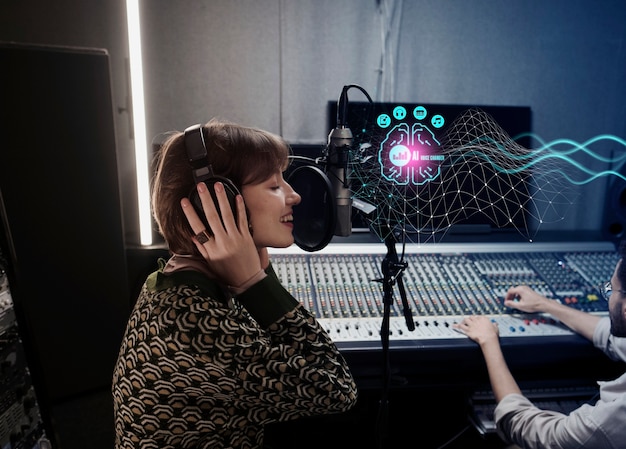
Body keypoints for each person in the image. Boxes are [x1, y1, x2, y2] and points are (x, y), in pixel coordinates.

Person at [112, 118, 358, 449]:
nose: (294, 196)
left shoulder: (178, 282)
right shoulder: (190, 322)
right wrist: (255, 283)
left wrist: (255, 270)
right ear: (217, 202)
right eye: (274, 186)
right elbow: (336, 389)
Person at [454, 240, 626, 449]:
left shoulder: (610, 419)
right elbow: (609, 335)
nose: (608, 297)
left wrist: (489, 342)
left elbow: (522, 425)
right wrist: (547, 305)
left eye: (610, 291)